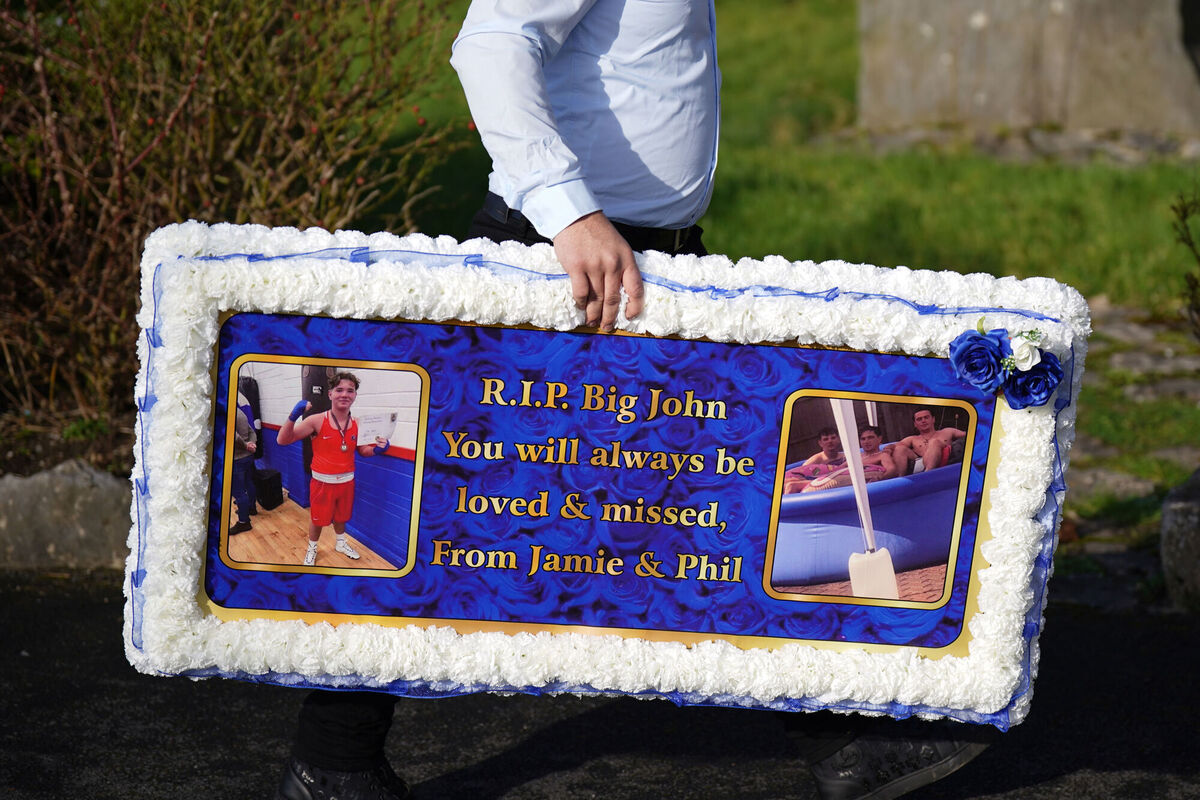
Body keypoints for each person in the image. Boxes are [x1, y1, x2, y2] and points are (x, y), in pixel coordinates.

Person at [277, 3, 988, 798]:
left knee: (715, 490)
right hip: (570, 253)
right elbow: (490, 44)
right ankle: (332, 758)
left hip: (640, 259)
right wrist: (571, 212)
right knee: (461, 511)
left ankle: (847, 746)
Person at [275, 371, 389, 567]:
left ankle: (341, 544)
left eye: (350, 391)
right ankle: (312, 548)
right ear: (330, 394)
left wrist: (378, 450)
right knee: (318, 519)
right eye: (339, 390)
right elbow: (283, 440)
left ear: (355, 395)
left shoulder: (358, 423)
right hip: (322, 482)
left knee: (341, 517)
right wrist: (293, 417)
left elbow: (363, 451)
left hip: (346, 482)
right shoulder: (316, 420)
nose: (345, 394)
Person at [888, 409, 966, 475]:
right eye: (919, 419)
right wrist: (887, 449)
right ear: (915, 424)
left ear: (933, 419)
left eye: (926, 417)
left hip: (946, 460)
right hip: (920, 463)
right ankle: (899, 482)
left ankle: (928, 475)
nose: (923, 421)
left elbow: (969, 435)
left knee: (934, 442)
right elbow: (896, 446)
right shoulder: (912, 439)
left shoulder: (948, 431)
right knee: (899, 449)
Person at [229, 405, 257, 536]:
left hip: (237, 457)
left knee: (239, 492)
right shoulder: (240, 412)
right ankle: (251, 508)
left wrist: (246, 445)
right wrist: (252, 444)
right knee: (249, 483)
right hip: (248, 456)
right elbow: (251, 431)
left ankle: (243, 521)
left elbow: (231, 434)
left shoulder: (228, 411)